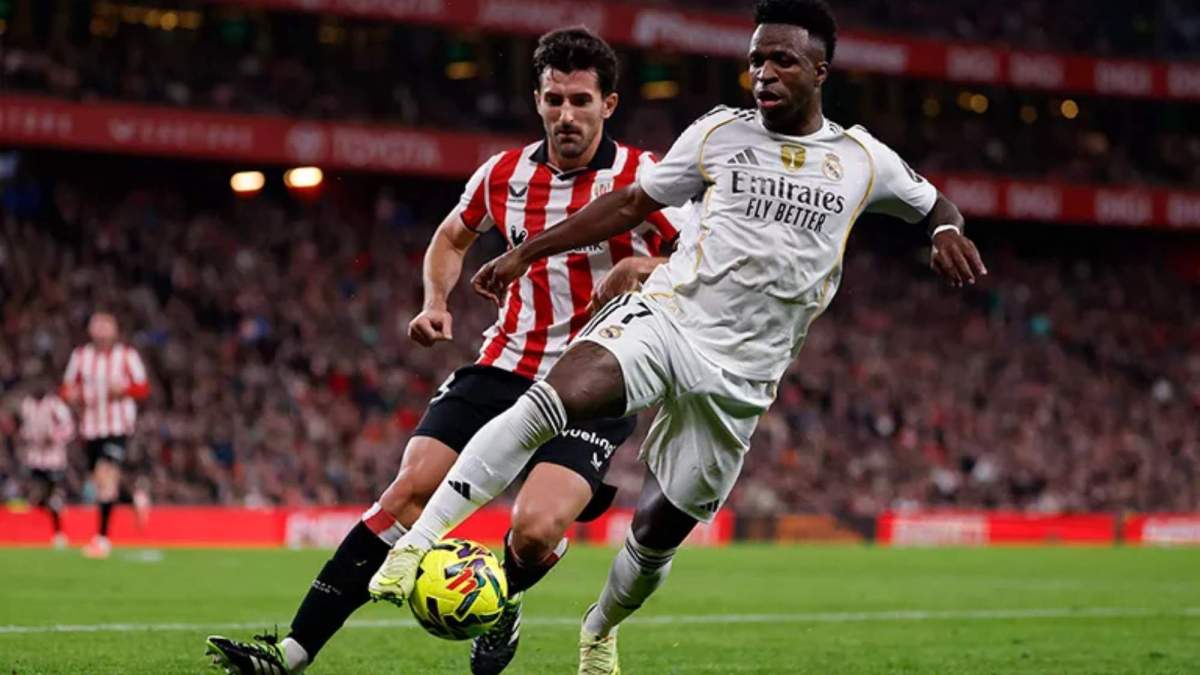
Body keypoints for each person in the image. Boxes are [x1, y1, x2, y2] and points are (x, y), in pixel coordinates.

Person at [366, 0, 988, 672]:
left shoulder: (862, 158)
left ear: (819, 69)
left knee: (657, 532)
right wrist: (526, 252)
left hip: (744, 376)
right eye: (755, 59)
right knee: (554, 397)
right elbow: (634, 202)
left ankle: (600, 626)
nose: (764, 73)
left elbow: (934, 204)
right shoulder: (719, 133)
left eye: (781, 59)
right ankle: (415, 544)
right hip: (670, 318)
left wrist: (947, 229)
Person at [205, 27, 686, 675]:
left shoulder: (643, 176)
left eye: (579, 100)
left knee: (536, 529)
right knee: (407, 491)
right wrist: (435, 300)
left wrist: (644, 271)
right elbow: (451, 237)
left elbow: (698, 257)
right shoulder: (504, 174)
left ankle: (502, 599)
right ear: (536, 100)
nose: (565, 115)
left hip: (598, 377)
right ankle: (291, 651)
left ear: (610, 104)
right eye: (553, 100)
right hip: (503, 363)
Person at [61, 312, 151, 559]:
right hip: (90, 427)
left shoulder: (127, 356)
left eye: (106, 325)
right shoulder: (80, 356)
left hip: (117, 427)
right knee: (102, 483)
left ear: (115, 329)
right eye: (97, 325)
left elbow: (143, 387)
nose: (101, 329)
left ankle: (101, 539)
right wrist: (72, 396)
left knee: (105, 476)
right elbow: (66, 388)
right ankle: (134, 498)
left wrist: (124, 390)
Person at [19, 379, 75, 548]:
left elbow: (69, 427)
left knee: (52, 495)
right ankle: (39, 527)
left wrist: (55, 437)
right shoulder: (27, 405)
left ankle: (58, 532)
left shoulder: (55, 405)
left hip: (53, 458)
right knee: (37, 494)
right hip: (34, 457)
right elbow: (25, 428)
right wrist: (28, 437)